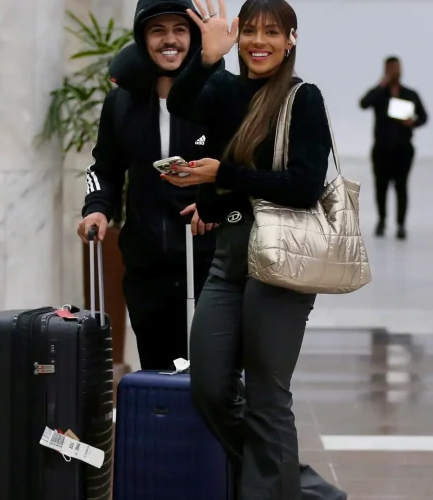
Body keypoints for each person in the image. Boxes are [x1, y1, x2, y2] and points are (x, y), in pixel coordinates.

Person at [164, 0, 348, 499]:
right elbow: (181, 104)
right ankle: (305, 489)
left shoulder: (301, 98)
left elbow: (305, 185)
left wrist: (224, 175)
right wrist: (205, 59)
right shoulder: (224, 88)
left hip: (282, 261)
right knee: (208, 385)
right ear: (239, 37)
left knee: (268, 397)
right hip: (228, 255)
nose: (259, 42)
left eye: (272, 32)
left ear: (291, 39)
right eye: (250, 32)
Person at [77, 0, 218, 371]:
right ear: (142, 38)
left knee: (210, 376)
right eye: (158, 30)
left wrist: (215, 201)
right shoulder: (120, 103)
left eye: (180, 30)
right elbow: (103, 167)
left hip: (208, 263)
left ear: (194, 37)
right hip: (146, 267)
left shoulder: (219, 95)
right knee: (159, 372)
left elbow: (242, 165)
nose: (169, 40)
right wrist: (96, 207)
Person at [360, 56, 427, 240]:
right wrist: (381, 85)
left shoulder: (410, 94)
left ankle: (401, 225)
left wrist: (413, 122)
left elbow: (424, 116)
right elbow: (363, 103)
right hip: (381, 149)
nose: (395, 72)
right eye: (391, 69)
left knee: (401, 187)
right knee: (380, 187)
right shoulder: (379, 94)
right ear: (385, 70)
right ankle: (381, 221)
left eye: (397, 68)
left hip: (403, 149)